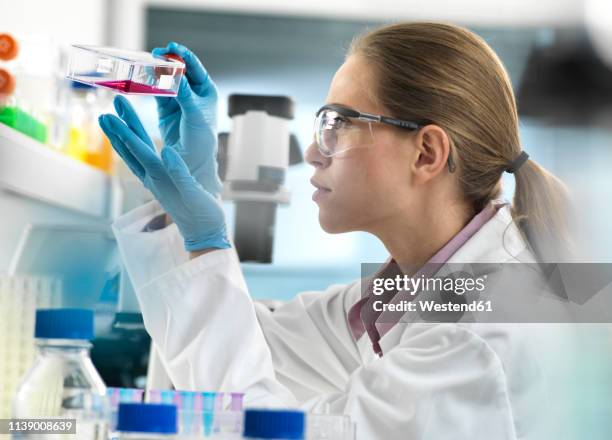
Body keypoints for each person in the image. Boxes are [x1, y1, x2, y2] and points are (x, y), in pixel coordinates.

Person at [100, 22, 571, 439]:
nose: (311, 152)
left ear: (426, 153)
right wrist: (184, 219)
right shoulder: (402, 296)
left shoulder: (474, 333)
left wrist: (206, 243)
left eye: (338, 123)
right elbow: (248, 342)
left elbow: (261, 426)